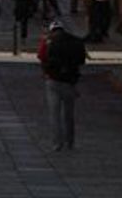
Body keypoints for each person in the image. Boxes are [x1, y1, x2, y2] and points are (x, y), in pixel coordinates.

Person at [37, 20, 87, 151]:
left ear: (52, 29)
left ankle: (57, 143)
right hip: (70, 81)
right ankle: (70, 142)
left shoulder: (49, 41)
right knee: (69, 114)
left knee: (54, 114)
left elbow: (41, 56)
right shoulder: (75, 41)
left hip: (53, 80)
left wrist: (46, 71)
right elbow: (82, 59)